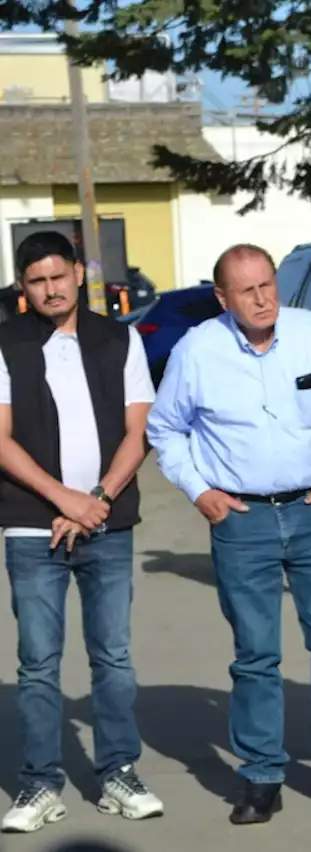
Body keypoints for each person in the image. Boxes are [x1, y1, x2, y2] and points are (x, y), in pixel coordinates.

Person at [147, 244, 311, 826]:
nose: (263, 298)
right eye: (247, 290)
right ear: (223, 298)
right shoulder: (197, 350)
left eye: (269, 284)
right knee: (255, 656)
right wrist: (201, 492)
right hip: (241, 521)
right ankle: (260, 776)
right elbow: (165, 429)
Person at [0, 232, 162, 833]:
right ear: (24, 287)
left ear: (77, 274)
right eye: (37, 280)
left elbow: (138, 431)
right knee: (38, 663)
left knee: (112, 657)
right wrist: (63, 498)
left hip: (107, 524)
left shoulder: (117, 338)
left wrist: (96, 500)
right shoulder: (5, 342)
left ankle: (119, 772)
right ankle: (40, 784)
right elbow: (1, 439)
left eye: (58, 276)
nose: (50, 288)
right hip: (29, 528)